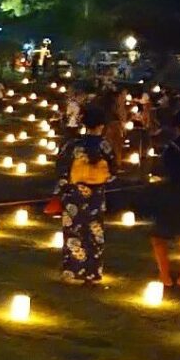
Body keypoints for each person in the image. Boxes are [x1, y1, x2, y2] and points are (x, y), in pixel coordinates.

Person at [54, 104, 117, 284]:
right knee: (94, 232)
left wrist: (62, 187)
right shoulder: (105, 146)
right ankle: (93, 272)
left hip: (74, 195)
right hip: (96, 196)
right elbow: (112, 173)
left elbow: (61, 170)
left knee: (74, 231)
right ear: (102, 125)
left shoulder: (72, 145)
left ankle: (73, 272)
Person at [150, 109, 180, 288]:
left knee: (158, 236)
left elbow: (164, 170)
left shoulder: (175, 146)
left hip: (175, 195)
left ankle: (165, 275)